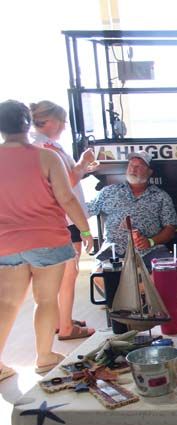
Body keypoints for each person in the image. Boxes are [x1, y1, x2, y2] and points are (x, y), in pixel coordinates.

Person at [0, 100, 93, 379]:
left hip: (7, 243)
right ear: (27, 123)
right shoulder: (46, 157)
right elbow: (66, 198)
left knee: (6, 303)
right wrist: (86, 231)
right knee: (46, 300)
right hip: (48, 240)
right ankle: (44, 357)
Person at [29, 100, 96, 341]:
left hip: (50, 218)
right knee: (70, 271)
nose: (65, 126)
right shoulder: (48, 148)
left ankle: (61, 319)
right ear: (53, 121)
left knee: (59, 274)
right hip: (65, 219)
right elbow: (66, 183)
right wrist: (83, 163)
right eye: (63, 121)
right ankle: (66, 327)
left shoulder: (35, 145)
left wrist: (81, 168)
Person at [87, 151, 177, 270]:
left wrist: (150, 242)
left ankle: (141, 288)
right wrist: (84, 232)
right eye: (131, 165)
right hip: (115, 249)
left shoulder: (161, 196)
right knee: (100, 274)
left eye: (139, 166)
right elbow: (86, 210)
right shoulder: (109, 191)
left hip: (149, 251)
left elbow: (170, 229)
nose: (133, 169)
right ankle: (135, 287)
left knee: (168, 272)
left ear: (149, 172)